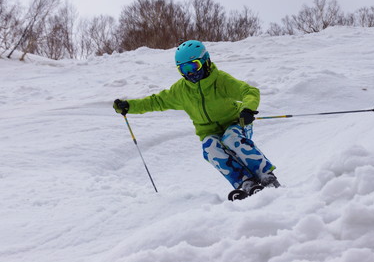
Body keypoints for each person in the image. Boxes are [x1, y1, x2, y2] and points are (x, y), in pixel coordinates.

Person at [113, 40, 279, 198]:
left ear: (206, 61)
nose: (190, 73)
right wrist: (130, 106)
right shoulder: (182, 90)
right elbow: (157, 101)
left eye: (194, 66)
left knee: (231, 138)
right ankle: (245, 183)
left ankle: (266, 176)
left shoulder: (220, 81)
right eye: (184, 69)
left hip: (238, 123)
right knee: (210, 148)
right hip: (209, 132)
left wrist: (247, 109)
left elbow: (249, 91)